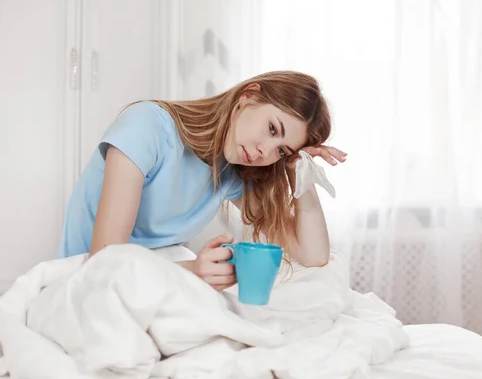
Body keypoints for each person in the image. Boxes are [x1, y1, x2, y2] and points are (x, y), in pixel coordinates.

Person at [57, 70, 346, 291]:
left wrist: (301, 170)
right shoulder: (146, 126)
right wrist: (193, 270)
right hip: (92, 286)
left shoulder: (232, 171)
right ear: (249, 95)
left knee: (317, 291)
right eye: (272, 129)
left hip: (159, 285)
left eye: (281, 151)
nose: (264, 152)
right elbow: (104, 263)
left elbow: (313, 255)